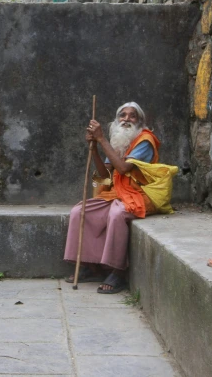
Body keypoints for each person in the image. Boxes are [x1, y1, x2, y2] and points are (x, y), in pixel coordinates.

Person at [64, 102, 160, 294]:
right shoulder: (118, 142)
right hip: (115, 193)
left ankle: (118, 272)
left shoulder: (145, 141)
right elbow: (104, 176)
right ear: (116, 121)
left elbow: (124, 168)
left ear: (140, 122)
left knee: (116, 215)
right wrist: (95, 150)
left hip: (140, 195)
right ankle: (90, 266)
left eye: (132, 116)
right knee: (79, 211)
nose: (126, 119)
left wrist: (101, 140)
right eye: (122, 115)